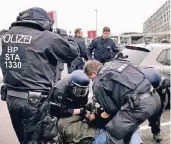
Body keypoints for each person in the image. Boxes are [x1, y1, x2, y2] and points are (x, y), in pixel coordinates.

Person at [0, 7, 79, 144]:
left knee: (24, 139)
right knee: (39, 140)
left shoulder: (6, 36)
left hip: (11, 99)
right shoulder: (47, 37)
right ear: (45, 22)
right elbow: (72, 53)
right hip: (35, 103)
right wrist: (65, 37)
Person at [84, 60, 161, 144]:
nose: (92, 80)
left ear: (94, 73)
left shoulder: (98, 81)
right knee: (128, 130)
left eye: (91, 78)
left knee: (114, 131)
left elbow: (111, 109)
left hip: (139, 106)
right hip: (155, 97)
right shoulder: (119, 63)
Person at [142, 67, 170, 142]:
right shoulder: (140, 82)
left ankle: (156, 133)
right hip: (145, 99)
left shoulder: (162, 83)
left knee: (155, 117)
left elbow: (163, 100)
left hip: (160, 99)